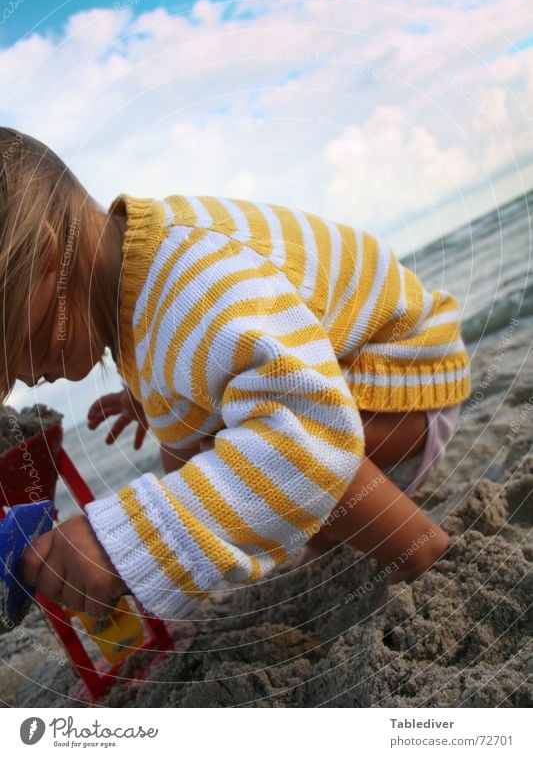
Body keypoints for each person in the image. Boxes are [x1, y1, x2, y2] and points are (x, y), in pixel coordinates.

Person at [0, 127, 471, 619]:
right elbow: (211, 351)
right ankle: (329, 535)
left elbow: (312, 427)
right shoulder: (136, 285)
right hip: (353, 395)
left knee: (263, 437)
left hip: (406, 385)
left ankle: (419, 550)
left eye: (15, 348)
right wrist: (145, 402)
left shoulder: (189, 276)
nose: (23, 379)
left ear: (47, 260)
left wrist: (125, 539)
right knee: (182, 447)